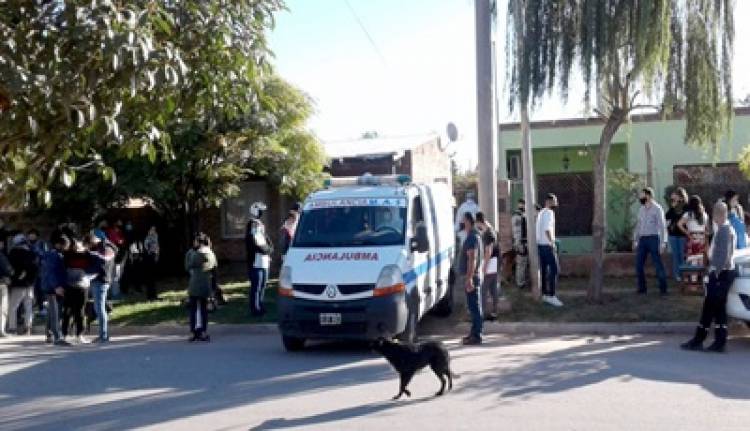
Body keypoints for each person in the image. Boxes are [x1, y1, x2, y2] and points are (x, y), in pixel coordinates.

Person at [681, 201, 736, 353]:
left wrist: (714, 273)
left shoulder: (725, 230)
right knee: (716, 307)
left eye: (715, 214)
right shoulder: (723, 228)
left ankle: (705, 340)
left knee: (712, 306)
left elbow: (724, 256)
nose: (713, 217)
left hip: (721, 273)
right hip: (721, 272)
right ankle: (712, 341)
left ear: (721, 214)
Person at [634, 187, 668, 295]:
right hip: (643, 239)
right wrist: (635, 239)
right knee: (638, 264)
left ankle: (663, 289)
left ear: (648, 196)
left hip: (653, 238)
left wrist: (663, 242)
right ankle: (642, 288)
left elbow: (662, 226)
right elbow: (638, 225)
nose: (640, 197)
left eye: (642, 195)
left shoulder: (657, 209)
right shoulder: (641, 209)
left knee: (657, 264)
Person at [185, 233, 217, 342]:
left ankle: (194, 331)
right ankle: (203, 331)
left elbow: (189, 265)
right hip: (206, 283)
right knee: (203, 309)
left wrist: (190, 253)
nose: (194, 243)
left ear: (199, 242)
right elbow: (214, 267)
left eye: (195, 241)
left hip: (196, 283)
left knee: (193, 309)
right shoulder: (211, 253)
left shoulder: (197, 254)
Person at [63, 239, 94, 344]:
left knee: (80, 311)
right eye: (76, 246)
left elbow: (93, 264)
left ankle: (79, 334)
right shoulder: (67, 255)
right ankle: (65, 334)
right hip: (71, 286)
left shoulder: (87, 255)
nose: (77, 248)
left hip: (82, 286)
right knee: (68, 311)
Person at [41, 234, 70, 345]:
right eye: (65, 245)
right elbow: (51, 272)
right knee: (55, 312)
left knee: (52, 312)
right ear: (59, 244)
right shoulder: (54, 255)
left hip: (53, 286)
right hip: (53, 288)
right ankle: (57, 337)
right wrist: (56, 286)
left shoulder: (56, 254)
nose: (66, 247)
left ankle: (50, 334)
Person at [459, 212, 483, 345]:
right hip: (474, 275)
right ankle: (473, 333)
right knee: (473, 306)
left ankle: (477, 335)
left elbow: (472, 259)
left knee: (474, 307)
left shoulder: (472, 237)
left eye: (463, 221)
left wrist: (469, 279)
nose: (462, 223)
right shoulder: (475, 235)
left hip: (472, 276)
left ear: (468, 221)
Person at [88, 232, 117, 343]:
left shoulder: (105, 248)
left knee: (99, 309)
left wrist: (92, 254)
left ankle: (103, 335)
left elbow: (102, 262)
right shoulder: (103, 248)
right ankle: (102, 335)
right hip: (101, 280)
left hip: (101, 280)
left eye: (93, 238)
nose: (91, 241)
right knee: (99, 308)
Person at [8, 234, 38, 335]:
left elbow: (10, 269)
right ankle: (27, 328)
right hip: (30, 285)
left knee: (13, 307)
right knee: (28, 307)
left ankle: (12, 328)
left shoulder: (14, 253)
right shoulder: (31, 253)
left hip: (18, 284)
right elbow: (35, 269)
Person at [246, 202, 272, 317]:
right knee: (256, 287)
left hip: (265, 262)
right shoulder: (251, 225)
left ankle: (260, 305)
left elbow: (269, 243)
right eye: (260, 211)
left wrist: (268, 249)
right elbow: (254, 244)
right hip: (256, 263)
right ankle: (255, 309)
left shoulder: (261, 226)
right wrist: (266, 250)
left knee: (263, 286)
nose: (262, 213)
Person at [536, 194, 563, 307]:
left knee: (544, 270)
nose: (556, 203)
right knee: (555, 270)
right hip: (547, 246)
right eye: (555, 201)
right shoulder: (549, 213)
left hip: (540, 245)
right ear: (549, 201)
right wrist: (552, 242)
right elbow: (547, 229)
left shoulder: (541, 212)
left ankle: (545, 294)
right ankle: (551, 295)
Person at [476, 212, 500, 320]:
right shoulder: (490, 229)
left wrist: (484, 266)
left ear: (479, 222)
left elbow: (488, 251)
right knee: (493, 288)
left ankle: (482, 312)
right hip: (494, 263)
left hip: (490, 263)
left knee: (484, 289)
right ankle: (494, 311)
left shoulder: (488, 233)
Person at [665, 187, 689, 281]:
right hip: (673, 234)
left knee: (682, 254)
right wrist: (672, 207)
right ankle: (677, 275)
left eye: (677, 196)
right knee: (675, 255)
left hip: (682, 234)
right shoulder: (674, 206)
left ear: (681, 197)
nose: (674, 198)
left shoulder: (686, 207)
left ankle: (684, 274)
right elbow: (666, 217)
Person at [511, 198, 529, 289]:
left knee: (523, 263)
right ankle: (520, 282)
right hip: (521, 242)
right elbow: (517, 231)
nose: (523, 206)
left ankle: (522, 281)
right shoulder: (518, 216)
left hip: (522, 241)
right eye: (522, 204)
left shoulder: (521, 215)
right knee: (521, 263)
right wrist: (518, 243)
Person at [0, 239, 13, 337]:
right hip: (1, 283)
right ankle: (1, 330)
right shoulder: (1, 256)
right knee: (2, 307)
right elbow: (8, 270)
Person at [143, 226, 160, 301]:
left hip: (154, 257)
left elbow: (157, 247)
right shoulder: (147, 238)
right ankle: (150, 296)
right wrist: (150, 252)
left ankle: (154, 295)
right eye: (152, 229)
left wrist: (157, 255)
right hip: (149, 257)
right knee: (150, 278)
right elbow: (146, 248)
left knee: (153, 278)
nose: (153, 231)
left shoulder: (156, 237)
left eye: (154, 229)